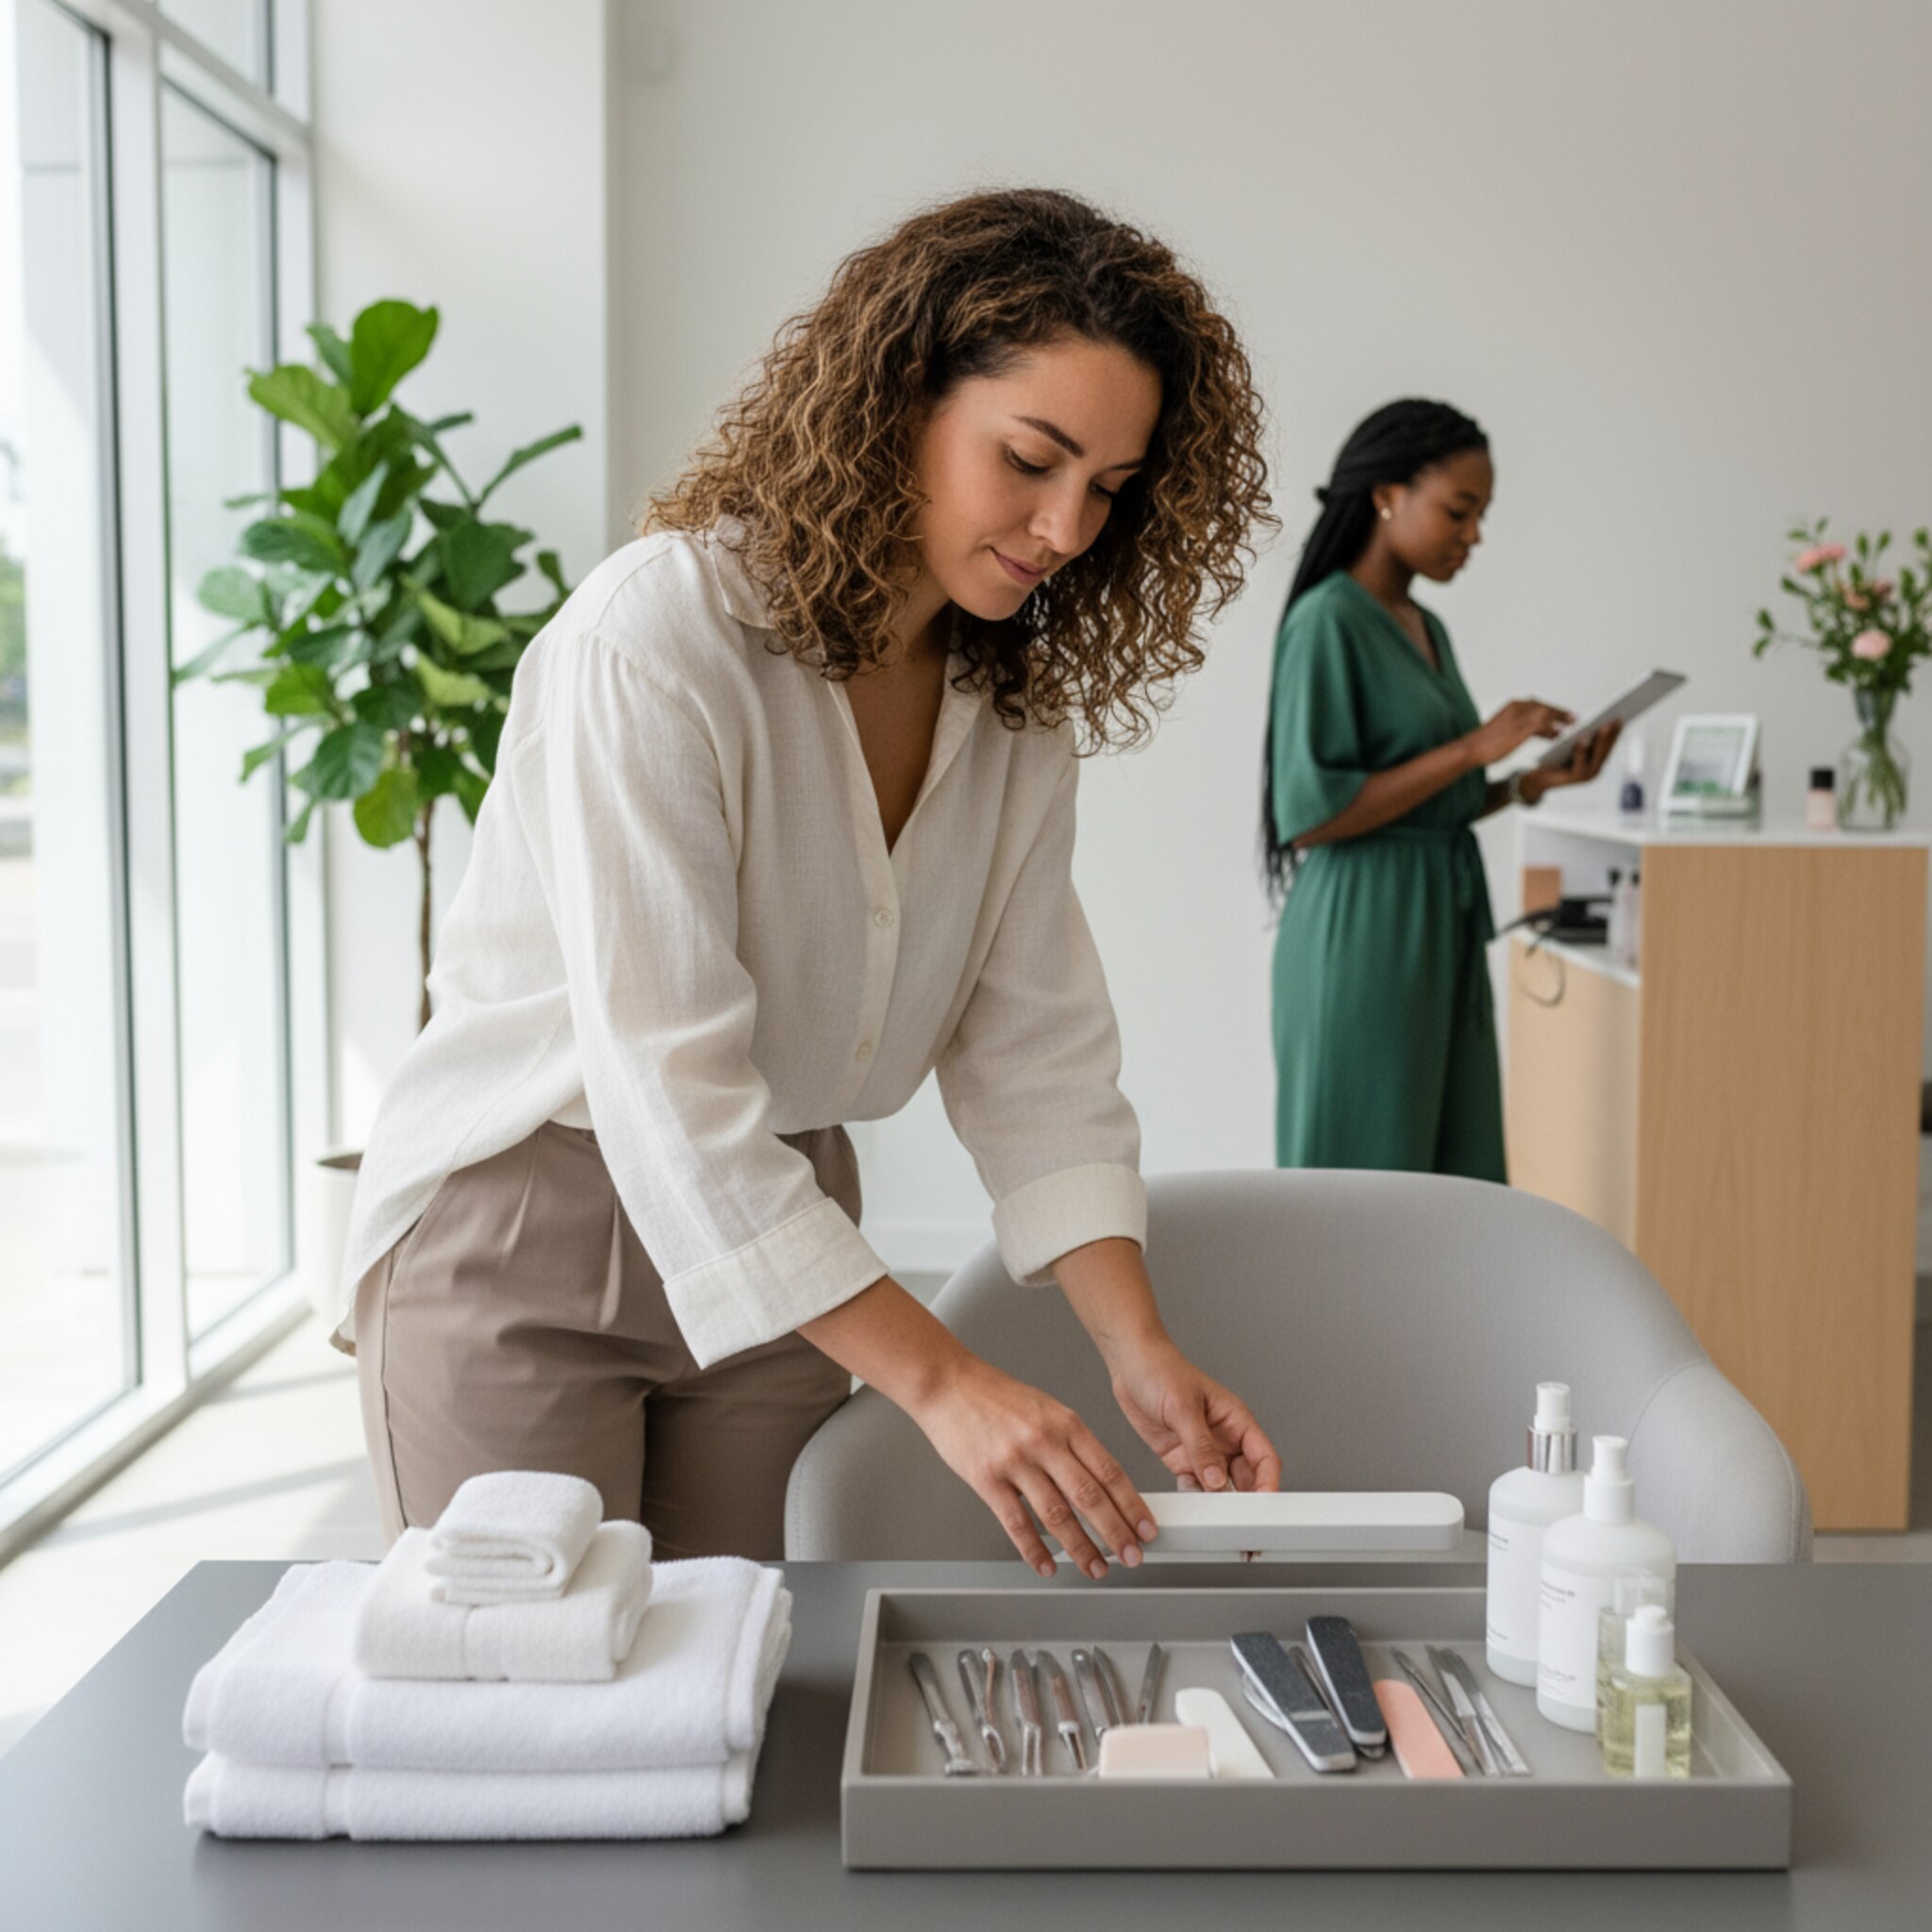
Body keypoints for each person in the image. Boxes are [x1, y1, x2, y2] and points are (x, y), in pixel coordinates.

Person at [338, 189, 1282, 1579]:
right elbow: (669, 1089)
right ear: (901, 400)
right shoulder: (656, 638)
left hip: (786, 1236)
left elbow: (1036, 1055)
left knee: (747, 1694)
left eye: (1109, 489)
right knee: (528, 1713)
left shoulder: (1008, 716)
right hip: (531, 1234)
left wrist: (1139, 1353)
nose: (1069, 527)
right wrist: (948, 1385)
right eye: (1031, 459)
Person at [1261, 398, 1617, 1179]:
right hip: (1364, 932)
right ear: (1389, 494)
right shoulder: (1327, 622)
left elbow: (1424, 804)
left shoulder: (1424, 626)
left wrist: (1526, 783)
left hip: (1439, 922)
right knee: (1359, 1182)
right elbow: (1311, 814)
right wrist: (1473, 748)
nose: (1475, 534)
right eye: (1460, 510)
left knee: (1447, 1185)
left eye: (1482, 513)